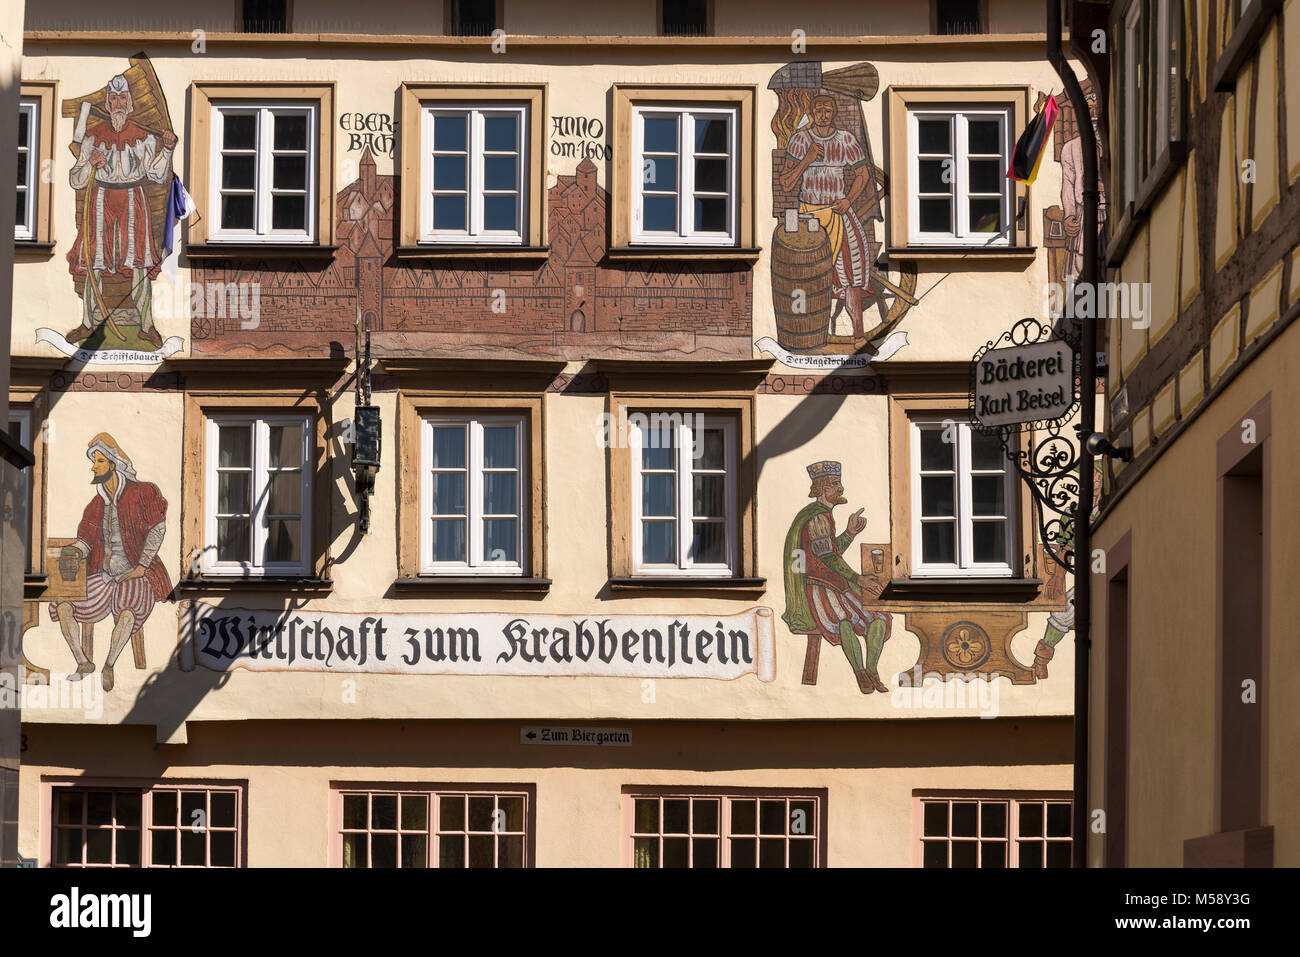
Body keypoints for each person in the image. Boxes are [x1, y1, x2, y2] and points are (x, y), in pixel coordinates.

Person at [50, 434, 172, 691]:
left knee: (128, 613)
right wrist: (74, 552)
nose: (94, 467)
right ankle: (84, 662)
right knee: (63, 605)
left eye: (99, 461)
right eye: (94, 462)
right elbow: (86, 539)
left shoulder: (143, 492)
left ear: (113, 464)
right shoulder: (96, 504)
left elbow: (158, 528)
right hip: (104, 576)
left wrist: (141, 566)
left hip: (137, 574)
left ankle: (109, 665)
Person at [65, 74, 175, 349]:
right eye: (113, 98)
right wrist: (90, 162)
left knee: (138, 263)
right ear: (107, 102)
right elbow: (76, 179)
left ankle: (147, 327)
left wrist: (168, 149)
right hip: (99, 198)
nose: (117, 103)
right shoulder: (92, 137)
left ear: (130, 104)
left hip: (132, 199)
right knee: (94, 263)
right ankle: (88, 324)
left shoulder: (144, 138)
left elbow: (158, 175)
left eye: (122, 97)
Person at [782, 461, 892, 693]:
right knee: (844, 619)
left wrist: (850, 533)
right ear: (823, 489)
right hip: (818, 587)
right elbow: (829, 558)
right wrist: (858, 579)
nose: (841, 488)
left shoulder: (823, 516)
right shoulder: (818, 517)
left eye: (839, 483)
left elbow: (829, 552)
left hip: (836, 584)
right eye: (836, 484)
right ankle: (860, 673)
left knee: (879, 617)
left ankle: (871, 670)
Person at [779, 95, 874, 344]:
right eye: (818, 109)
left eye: (828, 110)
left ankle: (859, 336)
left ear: (834, 112)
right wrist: (807, 160)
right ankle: (804, 336)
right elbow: (786, 183)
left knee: (851, 272)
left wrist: (848, 200)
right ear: (811, 111)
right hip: (808, 215)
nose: (823, 114)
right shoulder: (800, 139)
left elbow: (863, 174)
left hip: (838, 211)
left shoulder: (845, 140)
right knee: (805, 275)